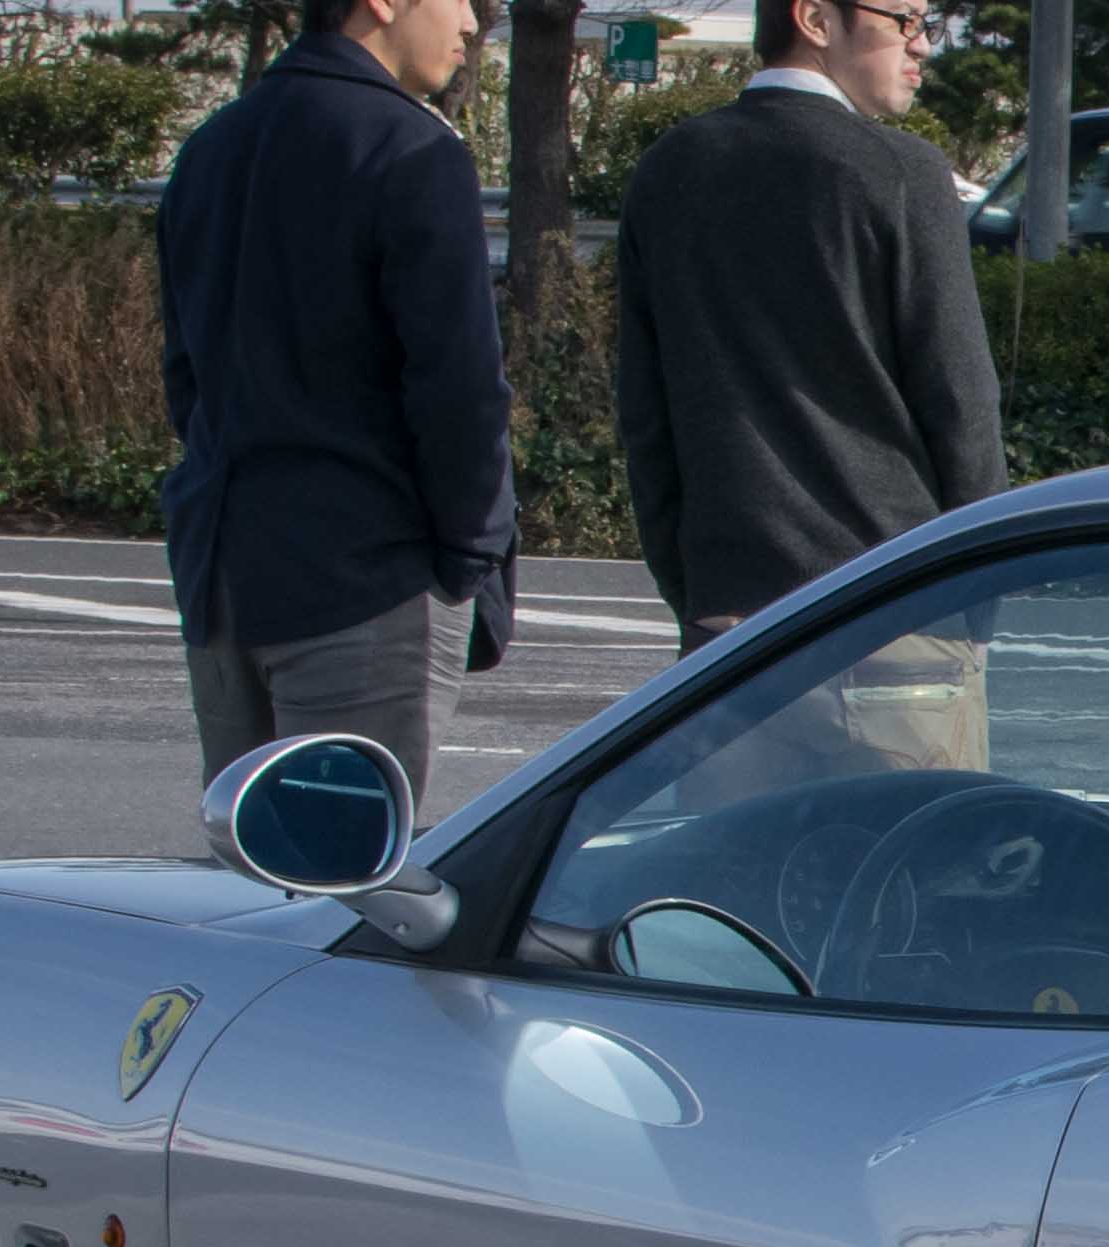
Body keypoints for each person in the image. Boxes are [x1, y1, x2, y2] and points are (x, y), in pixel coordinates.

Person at [153, 0, 519, 791]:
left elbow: (186, 371)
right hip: (368, 577)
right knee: (351, 885)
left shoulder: (212, 146)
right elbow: (459, 385)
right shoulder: (413, 148)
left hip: (224, 571)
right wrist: (470, 554)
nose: (471, 24)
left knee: (251, 879)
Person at [613, 0, 1002, 650]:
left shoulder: (669, 167)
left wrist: (693, 594)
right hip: (891, 607)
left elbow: (646, 413)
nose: (923, 45)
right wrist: (975, 598)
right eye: (905, 19)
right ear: (816, 19)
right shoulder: (900, 171)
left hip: (727, 626)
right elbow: (961, 402)